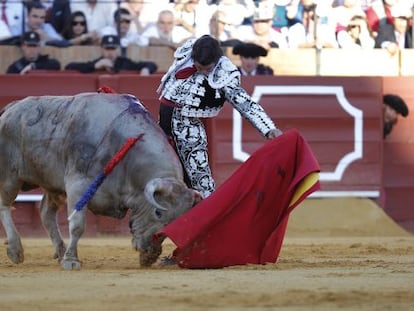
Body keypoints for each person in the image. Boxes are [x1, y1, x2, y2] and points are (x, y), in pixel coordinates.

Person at [157, 35, 283, 198]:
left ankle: (207, 214)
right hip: (163, 118)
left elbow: (244, 103)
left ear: (216, 62)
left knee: (200, 179)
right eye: (199, 67)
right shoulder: (187, 52)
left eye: (207, 69)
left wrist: (268, 128)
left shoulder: (224, 72)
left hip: (187, 123)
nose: (202, 71)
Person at [64, 34, 157, 75]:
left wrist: (146, 69)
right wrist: (95, 66)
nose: (110, 52)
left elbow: (152, 65)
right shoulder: (97, 62)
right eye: (107, 48)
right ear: (102, 49)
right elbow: (69, 67)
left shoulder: (125, 62)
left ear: (118, 50)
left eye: (113, 49)